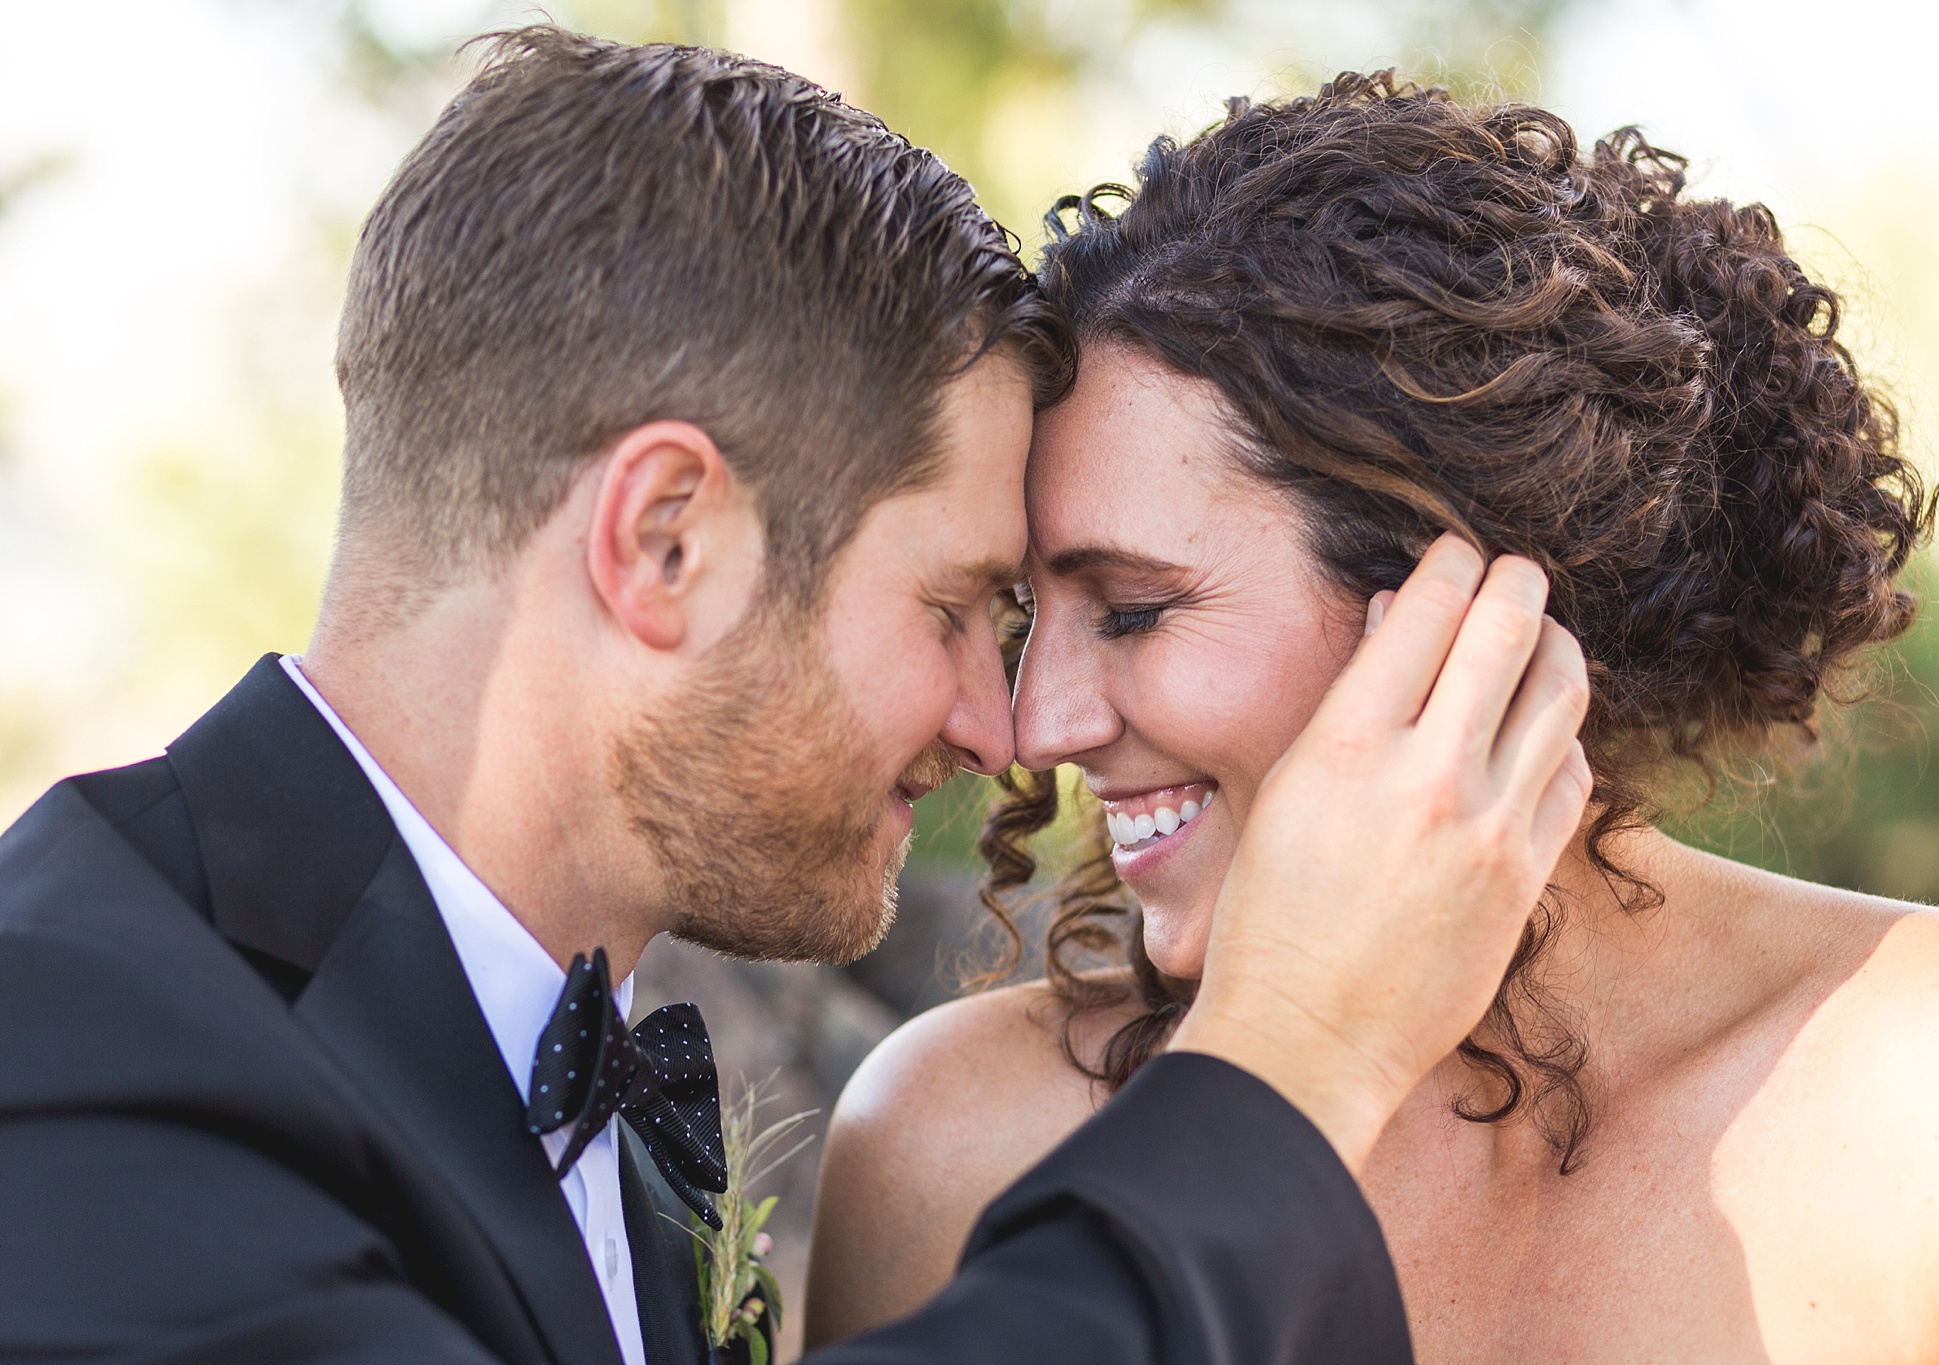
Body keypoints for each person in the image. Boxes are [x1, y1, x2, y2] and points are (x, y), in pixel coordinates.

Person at [0, 34, 1594, 1365]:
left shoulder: (567, 1062)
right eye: (961, 607)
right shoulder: (68, 1046)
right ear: (665, 542)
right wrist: (1289, 1059)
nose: (1006, 726)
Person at [805, 74, 1939, 1363]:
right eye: (1019, 620)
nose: (1034, 726)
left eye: (1129, 611)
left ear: (1468, 611)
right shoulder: (951, 1145)